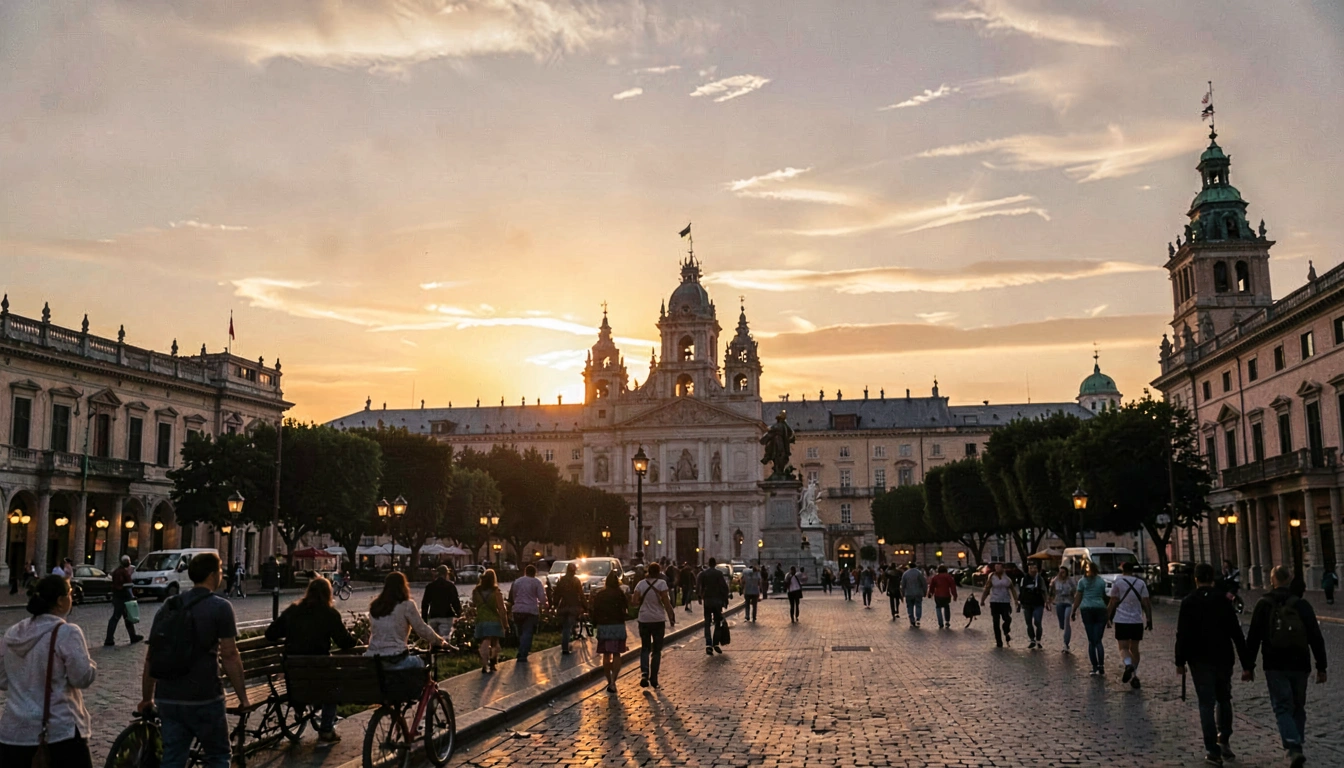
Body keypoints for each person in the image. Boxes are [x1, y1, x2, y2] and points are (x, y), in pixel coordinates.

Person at [138, 552, 246, 768]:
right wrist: (242, 697)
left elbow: (152, 655)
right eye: (221, 571)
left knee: (173, 756)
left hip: (168, 695)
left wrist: (147, 698)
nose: (222, 575)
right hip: (204, 695)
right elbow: (230, 655)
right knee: (217, 755)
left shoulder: (170, 605)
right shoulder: (220, 607)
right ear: (213, 575)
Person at [0, 575, 97, 768]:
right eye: (70, 593)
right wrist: (91, 667)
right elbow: (81, 678)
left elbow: (2, 680)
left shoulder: (13, 633)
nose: (72, 598)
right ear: (60, 601)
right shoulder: (67, 632)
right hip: (58, 732)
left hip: (13, 734)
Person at [1243, 566, 1327, 767]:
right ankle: (1297, 743)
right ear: (1289, 580)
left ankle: (1292, 745)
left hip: (1274, 663)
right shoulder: (1301, 605)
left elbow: (1253, 637)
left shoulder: (1263, 604)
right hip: (1300, 663)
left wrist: (1248, 666)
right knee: (1298, 706)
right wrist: (1321, 666)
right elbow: (1316, 636)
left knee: (1282, 706)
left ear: (1272, 581)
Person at [1175, 563, 1251, 766]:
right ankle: (1224, 739)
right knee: (1224, 698)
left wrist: (1179, 661)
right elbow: (1236, 633)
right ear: (1213, 579)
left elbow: (1182, 634)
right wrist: (1247, 664)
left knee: (1205, 704)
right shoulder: (1223, 600)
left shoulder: (1189, 601)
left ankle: (1212, 750)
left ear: (1196, 579)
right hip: (1223, 657)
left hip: (1199, 659)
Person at [265, 576, 357, 744]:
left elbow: (270, 634)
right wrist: (355, 638)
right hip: (319, 672)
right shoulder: (330, 614)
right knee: (334, 686)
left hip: (294, 672)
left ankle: (302, 707)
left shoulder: (293, 610)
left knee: (306, 680)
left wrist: (294, 631)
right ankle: (326, 729)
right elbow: (345, 642)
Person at [365, 572, 446, 671]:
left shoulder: (375, 606)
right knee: (422, 662)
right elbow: (421, 629)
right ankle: (424, 686)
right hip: (396, 658)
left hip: (374, 659)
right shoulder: (406, 605)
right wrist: (439, 641)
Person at [1106, 560, 1153, 689]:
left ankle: (1128, 665)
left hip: (1122, 620)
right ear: (1133, 570)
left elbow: (1113, 601)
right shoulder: (1141, 583)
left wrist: (1107, 617)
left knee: (1123, 648)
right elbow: (1146, 603)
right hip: (1137, 620)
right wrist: (1149, 619)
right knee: (1135, 649)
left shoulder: (1118, 582)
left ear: (1122, 569)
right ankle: (1134, 675)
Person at [632, 563, 677, 689]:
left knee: (645, 647)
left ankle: (644, 673)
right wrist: (671, 617)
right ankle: (654, 678)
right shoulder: (662, 584)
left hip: (644, 619)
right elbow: (666, 603)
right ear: (658, 572)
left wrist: (641, 602)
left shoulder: (640, 584)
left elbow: (634, 602)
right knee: (656, 651)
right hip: (658, 620)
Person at [584, 571, 626, 693]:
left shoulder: (600, 595)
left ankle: (608, 680)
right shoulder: (620, 594)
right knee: (617, 653)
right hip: (617, 625)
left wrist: (594, 623)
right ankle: (614, 681)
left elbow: (594, 610)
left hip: (604, 626)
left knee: (606, 654)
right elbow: (625, 609)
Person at [1071, 560, 1110, 676]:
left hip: (1086, 609)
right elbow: (1104, 596)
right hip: (1100, 609)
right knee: (1098, 640)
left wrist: (1073, 610)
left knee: (1091, 641)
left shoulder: (1082, 582)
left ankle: (1094, 667)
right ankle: (1101, 666)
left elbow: (1078, 597)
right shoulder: (1101, 581)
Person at [507, 564, 547, 663]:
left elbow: (513, 595)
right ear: (535, 573)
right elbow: (541, 597)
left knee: (520, 632)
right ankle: (522, 653)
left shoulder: (517, 581)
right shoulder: (537, 582)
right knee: (527, 632)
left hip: (517, 610)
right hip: (531, 611)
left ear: (525, 572)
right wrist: (545, 605)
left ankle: (522, 648)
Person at [472, 570, 508, 673]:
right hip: (494, 620)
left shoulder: (476, 591)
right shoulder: (496, 592)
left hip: (481, 620)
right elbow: (501, 609)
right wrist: (505, 623)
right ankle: (492, 662)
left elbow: (474, 604)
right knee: (495, 643)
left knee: (484, 641)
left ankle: (484, 664)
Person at [104, 555, 143, 647]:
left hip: (118, 597)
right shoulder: (123, 572)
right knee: (116, 618)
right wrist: (131, 596)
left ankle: (132, 636)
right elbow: (126, 586)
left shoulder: (117, 571)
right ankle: (109, 639)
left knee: (127, 618)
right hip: (123, 598)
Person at [421, 565, 463, 652]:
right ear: (446, 573)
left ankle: (433, 657)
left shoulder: (430, 586)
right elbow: (455, 601)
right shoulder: (450, 586)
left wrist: (424, 618)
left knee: (433, 639)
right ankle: (443, 657)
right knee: (444, 639)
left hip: (433, 615)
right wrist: (459, 613)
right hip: (446, 615)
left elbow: (425, 603)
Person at [697, 558, 731, 655]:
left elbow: (699, 586)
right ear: (715, 564)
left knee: (707, 623)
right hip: (717, 601)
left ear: (708, 563)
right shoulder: (719, 574)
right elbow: (724, 587)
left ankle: (708, 644)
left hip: (707, 601)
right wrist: (725, 600)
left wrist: (699, 597)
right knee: (717, 622)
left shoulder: (703, 574)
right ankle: (716, 643)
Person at [980, 562, 1018, 647]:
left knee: (1007, 618)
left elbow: (1012, 589)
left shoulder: (1007, 578)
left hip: (1005, 601)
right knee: (996, 622)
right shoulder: (992, 577)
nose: (997, 569)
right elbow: (987, 588)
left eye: (999, 567)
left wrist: (1016, 600)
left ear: (1002, 568)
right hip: (995, 601)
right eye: (996, 568)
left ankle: (1006, 629)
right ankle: (999, 641)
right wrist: (983, 599)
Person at [552, 563, 586, 654]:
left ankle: (566, 644)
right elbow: (581, 595)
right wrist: (585, 606)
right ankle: (565, 647)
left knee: (565, 627)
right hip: (573, 607)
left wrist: (554, 605)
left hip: (563, 606)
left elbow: (557, 594)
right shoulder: (576, 581)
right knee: (568, 627)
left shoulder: (562, 580)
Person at [1018, 562, 1048, 650]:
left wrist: (1046, 601)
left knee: (1037, 621)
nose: (1032, 570)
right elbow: (1021, 591)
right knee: (1028, 622)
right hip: (1027, 604)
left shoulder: (1040, 579)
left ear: (1037, 569)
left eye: (1034, 568)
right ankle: (1032, 640)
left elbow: (1044, 591)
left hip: (1038, 603)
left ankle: (1038, 640)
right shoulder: (1024, 579)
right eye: (1031, 568)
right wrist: (1019, 601)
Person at [1049, 566, 1076, 653]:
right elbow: (1051, 591)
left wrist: (1075, 598)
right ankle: (1063, 626)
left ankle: (1066, 643)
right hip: (1059, 602)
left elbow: (1076, 591)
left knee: (1067, 620)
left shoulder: (1070, 580)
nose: (1062, 574)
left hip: (1068, 602)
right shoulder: (1055, 580)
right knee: (1062, 624)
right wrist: (1050, 599)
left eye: (1063, 572)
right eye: (1060, 572)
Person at [927, 565, 958, 630]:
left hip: (938, 595)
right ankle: (947, 621)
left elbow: (932, 586)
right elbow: (953, 587)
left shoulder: (935, 577)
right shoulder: (949, 577)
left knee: (938, 608)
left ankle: (940, 623)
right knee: (946, 607)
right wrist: (954, 595)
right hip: (946, 595)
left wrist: (930, 593)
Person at [902, 563, 928, 628]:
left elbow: (903, 585)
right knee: (918, 606)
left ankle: (911, 620)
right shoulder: (919, 573)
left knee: (909, 606)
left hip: (909, 593)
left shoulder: (905, 574)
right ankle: (918, 619)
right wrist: (925, 592)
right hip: (918, 593)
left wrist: (903, 593)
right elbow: (924, 583)